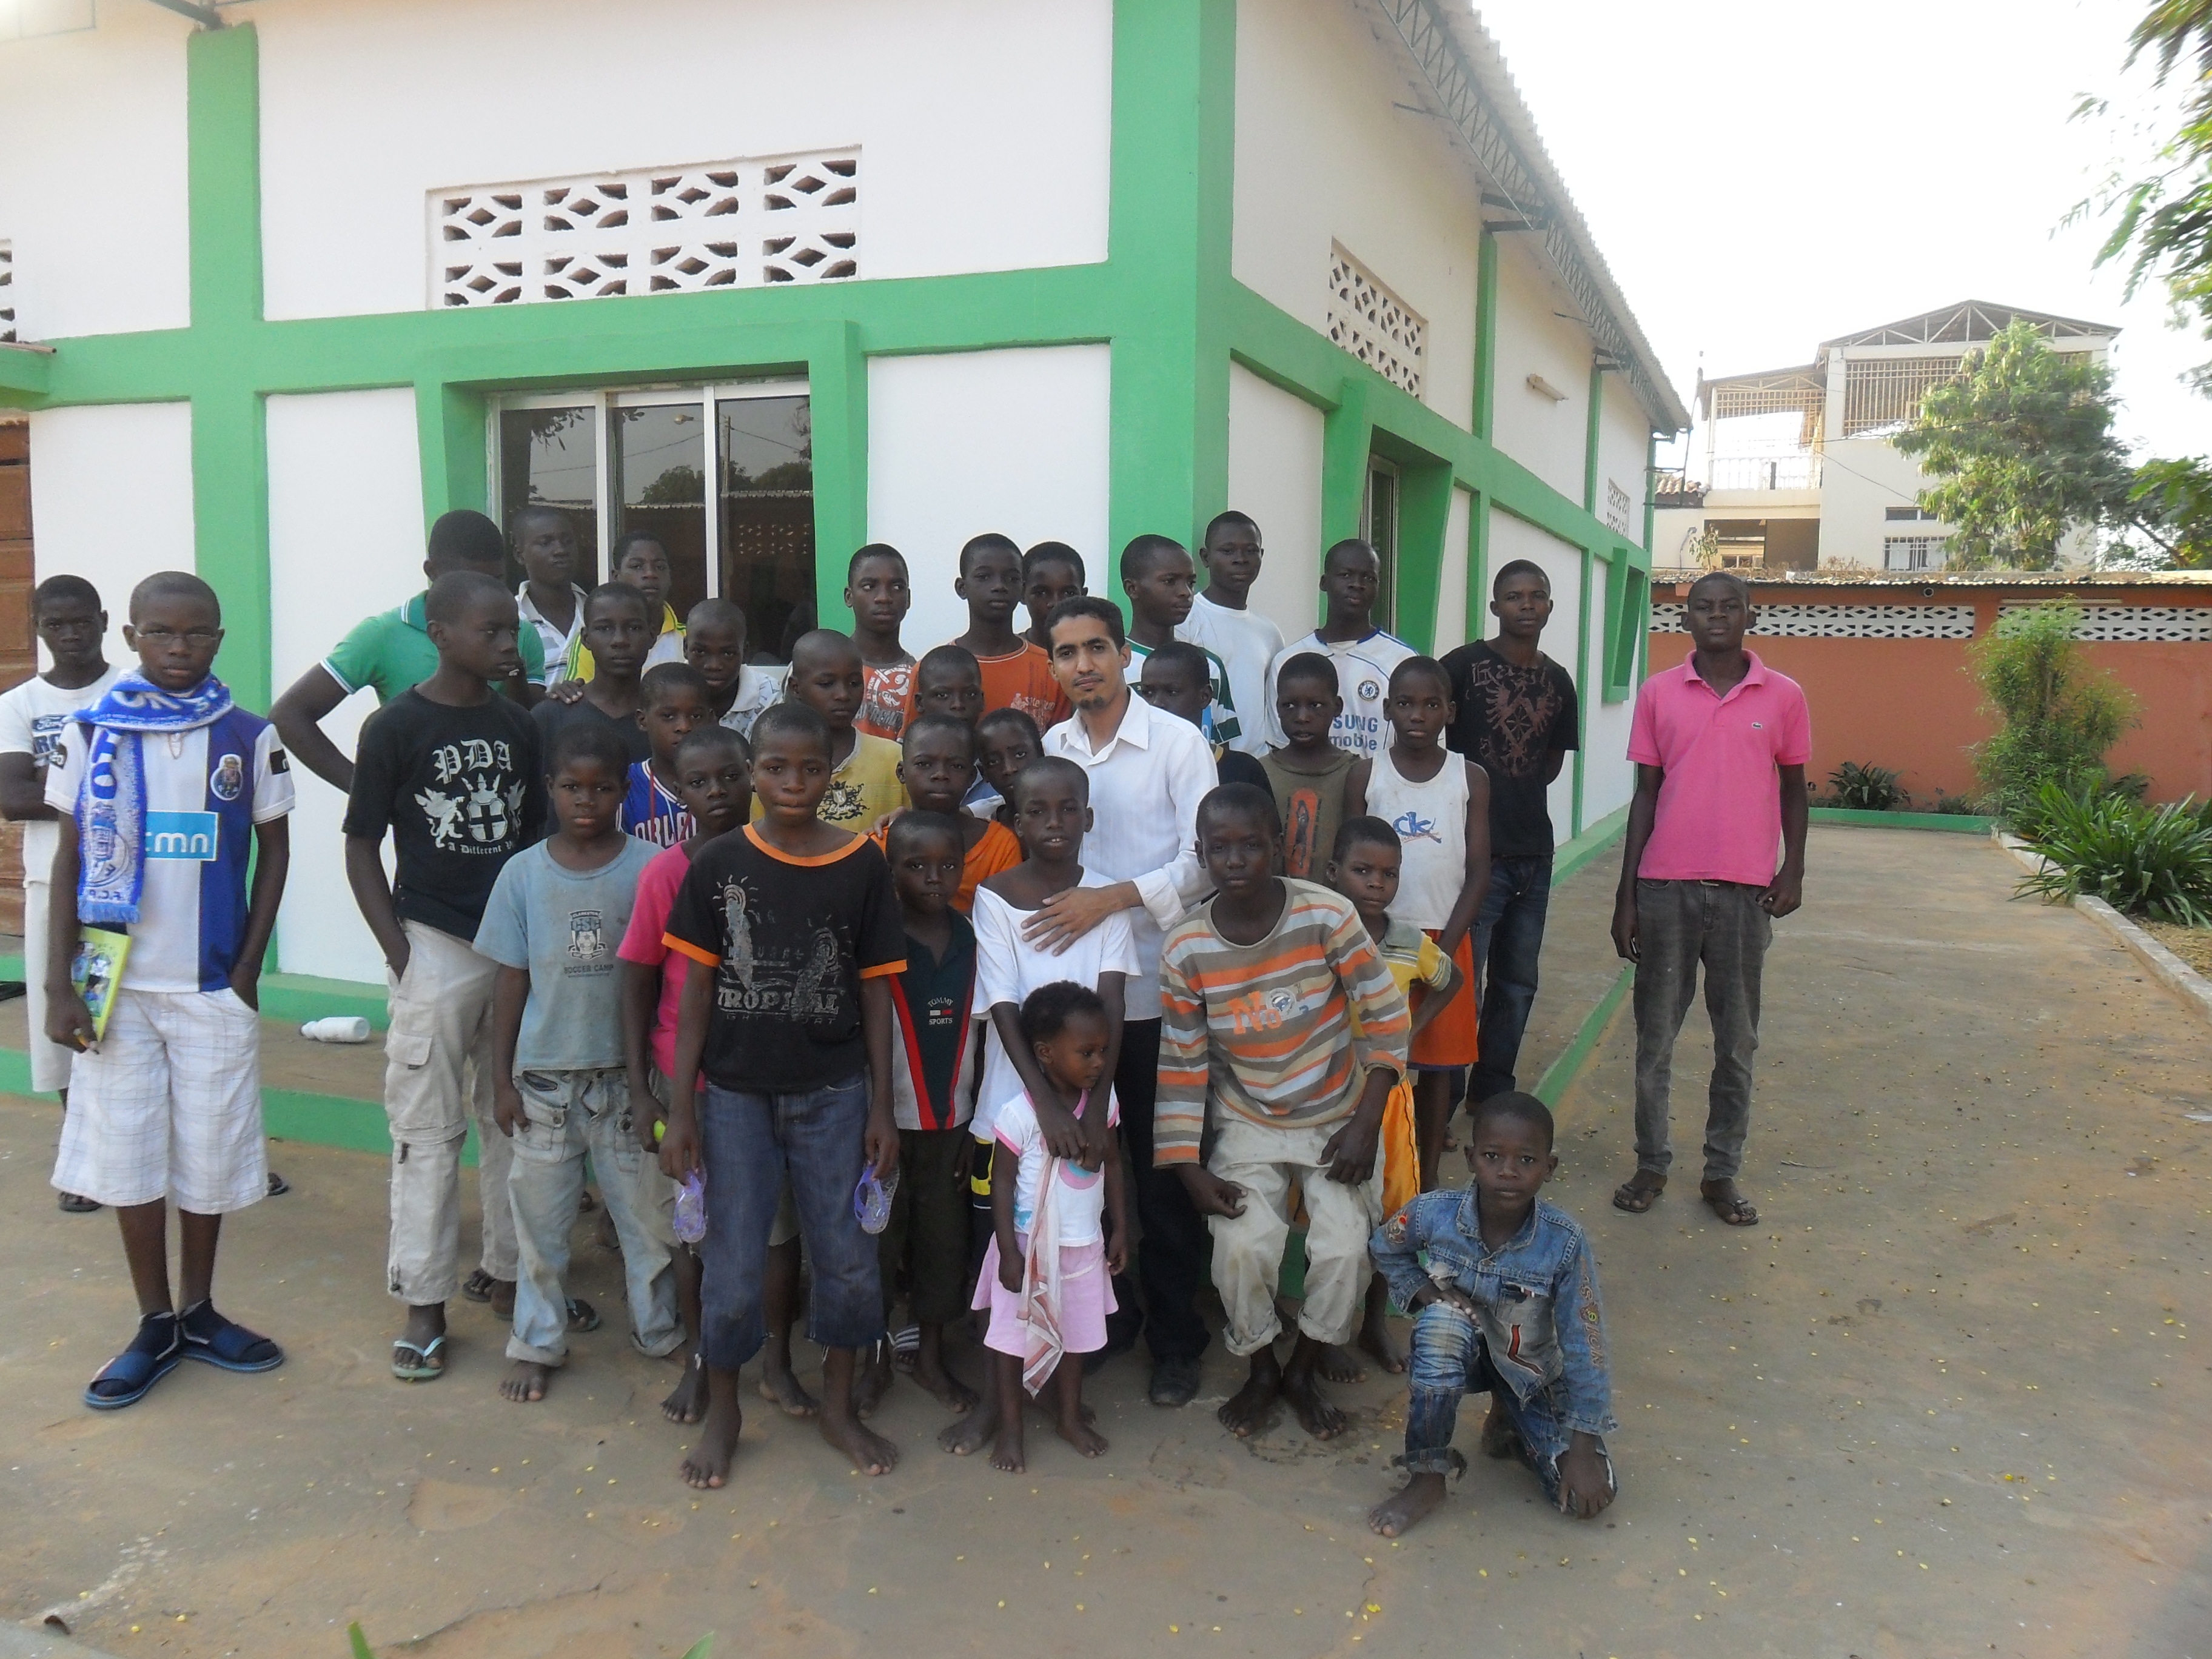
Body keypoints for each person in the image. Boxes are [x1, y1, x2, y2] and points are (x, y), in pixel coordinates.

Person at [44, 571, 293, 1409]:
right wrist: (60, 986)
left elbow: (275, 852)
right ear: (131, 638)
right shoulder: (93, 731)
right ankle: (153, 1321)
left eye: (196, 633)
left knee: (210, 1154)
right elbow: (69, 858)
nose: (178, 648)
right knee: (130, 1154)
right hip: (116, 989)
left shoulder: (248, 736)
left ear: (220, 638)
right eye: (160, 633)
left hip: (209, 985)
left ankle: (200, 1309)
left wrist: (248, 970)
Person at [658, 700, 905, 1487]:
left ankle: (838, 1406)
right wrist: (683, 1108)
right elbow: (697, 991)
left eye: (810, 768)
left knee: (848, 1257)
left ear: (832, 775)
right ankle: (726, 1410)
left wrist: (881, 1105)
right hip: (735, 1096)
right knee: (733, 1262)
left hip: (836, 1092)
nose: (793, 782)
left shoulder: (863, 864)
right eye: (775, 768)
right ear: (752, 773)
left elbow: (876, 991)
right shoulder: (719, 863)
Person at [1155, 785, 1408, 1439]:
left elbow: (1388, 1018)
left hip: (1337, 1115)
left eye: (1251, 845)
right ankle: (1263, 1369)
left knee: (1346, 1250)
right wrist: (1187, 1169)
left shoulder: (1326, 915)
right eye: (1220, 848)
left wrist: (1365, 1124)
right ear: (1201, 854)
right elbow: (1182, 1065)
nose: (1235, 860)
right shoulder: (1186, 947)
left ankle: (1304, 1370)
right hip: (1248, 1120)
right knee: (1241, 1247)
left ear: (1280, 847)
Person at [343, 570, 546, 1380]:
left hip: (512, 950)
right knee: (427, 1129)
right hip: (433, 940)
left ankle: (509, 1273)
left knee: (513, 1117)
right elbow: (362, 843)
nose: (507, 643)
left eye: (511, 630)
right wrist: (399, 950)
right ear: (441, 635)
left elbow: (534, 841)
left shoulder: (519, 725)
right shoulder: (395, 726)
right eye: (490, 631)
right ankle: (423, 1299)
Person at [1034, 595, 1217, 1405]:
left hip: (1161, 995)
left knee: (1165, 1175)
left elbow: (1204, 860)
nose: (1083, 665)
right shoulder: (1054, 747)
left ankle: (1178, 1342)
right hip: (1079, 1007)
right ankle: (1111, 1320)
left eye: (1096, 648)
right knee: (1088, 1174)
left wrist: (1111, 899)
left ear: (1123, 656)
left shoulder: (1177, 744)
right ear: (1053, 665)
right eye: (1067, 653)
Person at [618, 725, 818, 1424]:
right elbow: (637, 979)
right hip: (687, 1085)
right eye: (698, 782)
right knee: (692, 1230)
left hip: (767, 1080)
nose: (718, 793)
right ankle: (703, 1361)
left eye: (731, 776)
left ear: (754, 775)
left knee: (777, 1232)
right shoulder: (666, 874)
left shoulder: (788, 861)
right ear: (677, 789)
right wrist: (642, 1092)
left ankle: (777, 1365)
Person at [474, 721, 669, 1404]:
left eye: (602, 788)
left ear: (623, 791)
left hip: (627, 1085)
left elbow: (665, 977)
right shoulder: (523, 874)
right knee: (541, 1230)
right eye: (570, 787)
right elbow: (510, 980)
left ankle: (659, 1330)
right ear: (549, 789)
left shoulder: (649, 868)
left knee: (648, 1224)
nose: (586, 800)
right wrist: (502, 1080)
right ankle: (537, 1343)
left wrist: (653, 1084)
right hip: (544, 1086)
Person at [1610, 570, 1808, 1230]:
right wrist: (1626, 895)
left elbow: (1793, 789)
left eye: (1730, 607)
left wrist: (1793, 869)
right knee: (1655, 1040)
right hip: (1665, 889)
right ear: (1685, 617)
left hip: (1747, 894)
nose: (1716, 616)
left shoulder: (1783, 696)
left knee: (1737, 1042)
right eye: (1703, 607)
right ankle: (1651, 1163)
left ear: (1751, 615)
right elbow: (1645, 795)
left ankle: (1721, 1172)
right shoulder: (1658, 693)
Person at [1367, 1092, 1617, 1537]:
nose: (1507, 1171)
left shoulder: (1564, 1242)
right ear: (1470, 1158)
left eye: (1527, 1160)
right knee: (1442, 1325)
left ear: (1550, 1167)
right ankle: (1427, 1477)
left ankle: (1511, 1422)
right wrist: (1425, 1291)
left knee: (1585, 1497)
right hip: (1456, 1355)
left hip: (1528, 1373)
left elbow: (1587, 1343)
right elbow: (1384, 1246)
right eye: (1492, 1156)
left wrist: (1583, 1444)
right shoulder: (1433, 1213)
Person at [945, 981, 1126, 1473]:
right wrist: (1008, 1251)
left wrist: (1120, 1229)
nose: (1099, 1063)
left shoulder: (1103, 1105)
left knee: (1074, 1341)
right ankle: (1011, 1428)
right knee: (1010, 1343)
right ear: (1045, 1053)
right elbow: (1000, 1185)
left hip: (1083, 1250)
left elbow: (1113, 1166)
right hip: (1026, 1251)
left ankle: (1068, 1417)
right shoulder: (1020, 1114)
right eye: (1086, 1052)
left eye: (1103, 1051)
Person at [0, 574, 123, 1212]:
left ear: (103, 620)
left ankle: (134, 1147)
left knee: (126, 1013)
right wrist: (102, 782)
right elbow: (11, 797)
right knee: (66, 1011)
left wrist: (53, 777)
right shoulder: (19, 704)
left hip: (127, 880)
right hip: (53, 880)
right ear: (38, 629)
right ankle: (84, 1157)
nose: (70, 635)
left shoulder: (133, 690)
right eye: (56, 624)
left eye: (81, 622)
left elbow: (151, 782)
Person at [271, 509, 544, 795]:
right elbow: (289, 715)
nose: (483, 595)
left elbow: (532, 731)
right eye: (466, 582)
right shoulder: (383, 634)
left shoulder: (521, 634)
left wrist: (518, 677)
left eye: (496, 581)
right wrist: (369, 791)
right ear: (432, 572)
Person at [1325, 814, 1464, 1373]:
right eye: (1362, 871)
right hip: (1331, 1093)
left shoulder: (1408, 942)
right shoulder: (1319, 935)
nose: (1376, 884)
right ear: (1334, 873)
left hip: (1390, 1101)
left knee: (1392, 1214)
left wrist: (1412, 1028)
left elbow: (1450, 979)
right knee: (1329, 1212)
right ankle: (1324, 1331)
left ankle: (1373, 1324)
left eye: (1389, 874)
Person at [858, 811, 984, 1419]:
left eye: (948, 865)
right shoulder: (875, 939)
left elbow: (989, 1035)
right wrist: (874, 1115)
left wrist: (977, 1124)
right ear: (891, 871)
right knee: (876, 1245)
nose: (935, 878)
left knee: (944, 1245)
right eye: (916, 866)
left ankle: (930, 1356)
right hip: (882, 1127)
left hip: (953, 1125)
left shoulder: (974, 938)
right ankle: (873, 1358)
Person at [1347, 657, 1490, 1191]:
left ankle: (1426, 1177)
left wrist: (1446, 949)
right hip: (1375, 942)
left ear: (1450, 712)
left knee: (1437, 1065)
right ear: (1387, 709)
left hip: (1441, 939)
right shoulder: (1367, 774)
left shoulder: (1468, 777)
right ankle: (1371, 1166)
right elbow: (1348, 857)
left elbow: (1478, 872)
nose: (1417, 715)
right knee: (1370, 1055)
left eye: (1431, 704)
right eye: (1405, 703)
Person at [1441, 559, 1580, 1104]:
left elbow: (1550, 764)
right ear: (1495, 606)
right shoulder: (1461, 666)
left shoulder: (1559, 681)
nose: (1526, 604)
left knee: (1517, 984)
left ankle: (1492, 1092)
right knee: (1462, 984)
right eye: (1514, 596)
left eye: (1536, 595)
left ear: (1550, 606)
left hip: (1533, 856)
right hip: (1475, 855)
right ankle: (1446, 1096)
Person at [1265, 540, 1413, 761]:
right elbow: (1279, 747)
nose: (1357, 584)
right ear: (1324, 582)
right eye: (1346, 575)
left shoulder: (1402, 661)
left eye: (1369, 578)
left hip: (1377, 782)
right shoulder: (1289, 661)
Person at [907, 534, 1070, 730]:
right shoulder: (930, 670)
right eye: (984, 577)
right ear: (962, 588)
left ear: (1022, 589)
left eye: (1012, 578)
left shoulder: (1051, 669)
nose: (999, 586)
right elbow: (914, 742)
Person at [767, 629, 907, 831]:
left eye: (854, 683)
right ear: (795, 688)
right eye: (827, 684)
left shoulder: (893, 758)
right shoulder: (774, 765)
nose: (843, 695)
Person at [888, 712, 1019, 911]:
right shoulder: (881, 842)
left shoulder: (1000, 846)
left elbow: (1005, 916)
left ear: (972, 776)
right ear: (902, 772)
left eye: (956, 766)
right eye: (924, 764)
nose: (940, 774)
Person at [1119, 535, 1240, 749]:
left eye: (1190, 583)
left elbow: (1222, 752)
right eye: (1169, 581)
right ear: (1132, 588)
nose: (1185, 592)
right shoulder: (1116, 666)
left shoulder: (1208, 665)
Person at [1179, 511, 1284, 757]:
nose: (1240, 559)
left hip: (1257, 763)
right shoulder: (1186, 620)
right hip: (1205, 760)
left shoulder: (1269, 633)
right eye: (1228, 551)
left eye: (1251, 551)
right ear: (1205, 557)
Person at [534, 584, 654, 768]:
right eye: (604, 628)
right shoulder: (551, 717)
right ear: (585, 638)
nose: (620, 640)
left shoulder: (668, 718)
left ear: (652, 635)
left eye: (634, 628)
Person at [1261, 653, 1353, 882]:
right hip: (1275, 902)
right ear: (1278, 708)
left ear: (1337, 707)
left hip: (1336, 903)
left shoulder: (1355, 774)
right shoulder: (1260, 772)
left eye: (1315, 705)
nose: (1302, 717)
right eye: (1290, 705)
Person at [1137, 642, 1268, 792]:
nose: (1156, 703)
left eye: (1172, 692)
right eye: (1148, 693)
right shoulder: (1131, 766)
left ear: (1205, 697)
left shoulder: (1242, 771)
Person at [558, 531, 685, 681]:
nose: (650, 574)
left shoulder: (687, 637)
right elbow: (579, 689)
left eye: (660, 567)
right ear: (616, 576)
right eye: (637, 566)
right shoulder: (596, 638)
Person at [622, 662, 714, 847]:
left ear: (711, 719)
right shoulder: (625, 786)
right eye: (668, 716)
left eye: (696, 716)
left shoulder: (724, 783)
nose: (684, 727)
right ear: (642, 720)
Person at [683, 597, 786, 744]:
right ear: (685, 648)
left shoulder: (769, 696)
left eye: (728, 654)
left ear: (745, 652)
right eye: (700, 652)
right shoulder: (667, 690)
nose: (714, 665)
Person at [845, 545, 916, 741]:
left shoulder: (918, 677)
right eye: (869, 586)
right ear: (849, 597)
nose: (884, 598)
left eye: (897, 587)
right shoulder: (820, 666)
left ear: (908, 599)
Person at [512, 506, 589, 680]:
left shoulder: (597, 613)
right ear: (519, 555)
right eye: (545, 543)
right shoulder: (511, 619)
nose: (560, 550)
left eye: (567, 541)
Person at [975, 707, 1042, 828]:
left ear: (1041, 753)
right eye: (993, 762)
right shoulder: (982, 830)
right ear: (983, 772)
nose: (1009, 769)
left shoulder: (1067, 821)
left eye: (1020, 754)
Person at [1019, 541, 1085, 652]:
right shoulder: (1007, 655)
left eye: (1069, 593)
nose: (1056, 603)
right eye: (1041, 593)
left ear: (1083, 596)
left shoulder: (1095, 656)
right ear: (1022, 594)